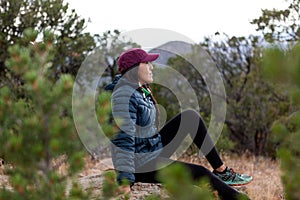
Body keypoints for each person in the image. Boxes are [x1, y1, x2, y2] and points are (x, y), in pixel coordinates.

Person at [104, 48, 252, 200]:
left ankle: (222, 171)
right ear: (134, 68)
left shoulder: (140, 90)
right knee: (200, 173)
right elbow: (123, 140)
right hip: (141, 165)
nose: (151, 67)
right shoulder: (123, 96)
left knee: (190, 118)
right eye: (147, 63)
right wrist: (124, 181)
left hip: (150, 150)